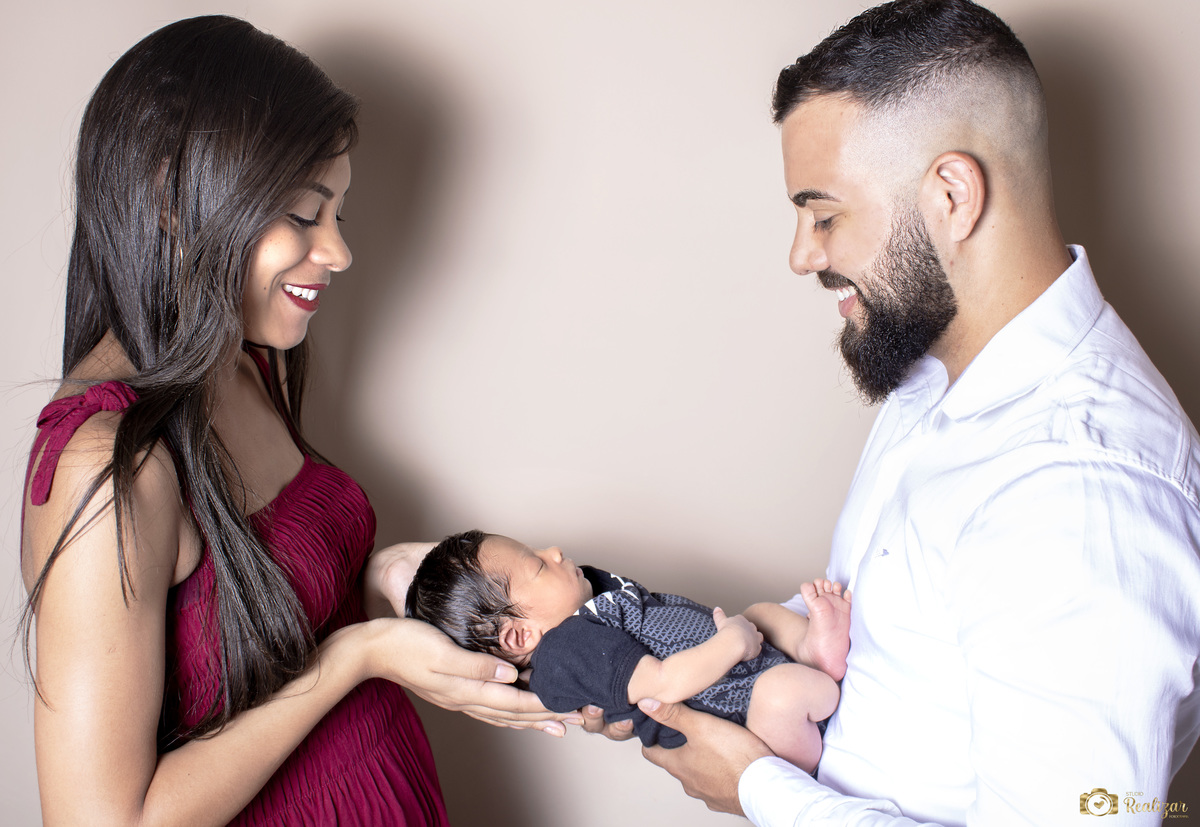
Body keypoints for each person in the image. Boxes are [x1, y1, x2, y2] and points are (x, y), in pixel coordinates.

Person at [620, 0, 1200, 824]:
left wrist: (756, 786)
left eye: (825, 214)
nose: (802, 254)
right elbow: (898, 642)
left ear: (952, 195)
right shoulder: (934, 374)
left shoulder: (1079, 493)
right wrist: (687, 648)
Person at [18, 16, 566, 826]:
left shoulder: (242, 358)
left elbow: (263, 610)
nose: (339, 251)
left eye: (338, 215)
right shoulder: (104, 469)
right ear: (173, 201)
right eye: (305, 215)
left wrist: (386, 579)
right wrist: (357, 656)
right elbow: (107, 820)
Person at [405, 530, 851, 772]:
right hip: (733, 709)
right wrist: (734, 641)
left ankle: (812, 651)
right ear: (520, 638)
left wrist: (740, 634)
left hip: (737, 666)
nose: (555, 550)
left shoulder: (585, 600)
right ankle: (802, 759)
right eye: (538, 563)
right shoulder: (565, 652)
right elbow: (663, 683)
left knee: (761, 613)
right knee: (780, 692)